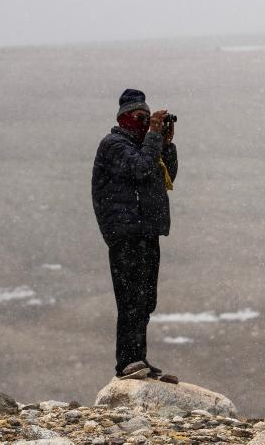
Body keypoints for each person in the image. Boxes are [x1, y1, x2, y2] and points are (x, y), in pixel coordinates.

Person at [91, 88, 179, 383]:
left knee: (145, 299)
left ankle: (138, 359)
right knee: (130, 298)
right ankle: (127, 362)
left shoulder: (145, 148)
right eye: (141, 118)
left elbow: (167, 177)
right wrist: (153, 136)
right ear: (125, 118)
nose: (145, 123)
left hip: (146, 231)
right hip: (126, 232)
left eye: (148, 118)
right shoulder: (114, 145)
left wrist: (166, 144)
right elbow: (140, 169)